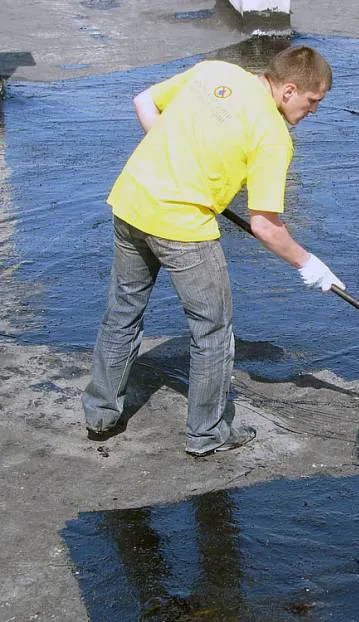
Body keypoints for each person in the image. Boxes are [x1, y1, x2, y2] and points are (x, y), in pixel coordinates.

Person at [82, 45, 344, 457]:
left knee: (122, 313)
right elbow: (264, 225)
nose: (314, 111)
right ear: (289, 90)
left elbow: (144, 101)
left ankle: (99, 416)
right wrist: (310, 264)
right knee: (213, 330)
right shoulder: (272, 136)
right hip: (182, 228)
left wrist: (179, 162)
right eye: (313, 102)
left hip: (131, 201)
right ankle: (207, 434)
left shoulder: (213, 72)